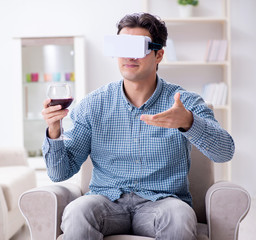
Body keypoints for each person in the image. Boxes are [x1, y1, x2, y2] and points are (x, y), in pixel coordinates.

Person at [41, 12, 234, 240]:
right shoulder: (93, 105)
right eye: (123, 47)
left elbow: (225, 152)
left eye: (138, 47)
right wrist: (54, 131)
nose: (129, 56)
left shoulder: (185, 102)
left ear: (159, 54)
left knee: (180, 216)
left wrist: (189, 122)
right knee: (77, 211)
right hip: (106, 202)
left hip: (163, 204)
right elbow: (59, 172)